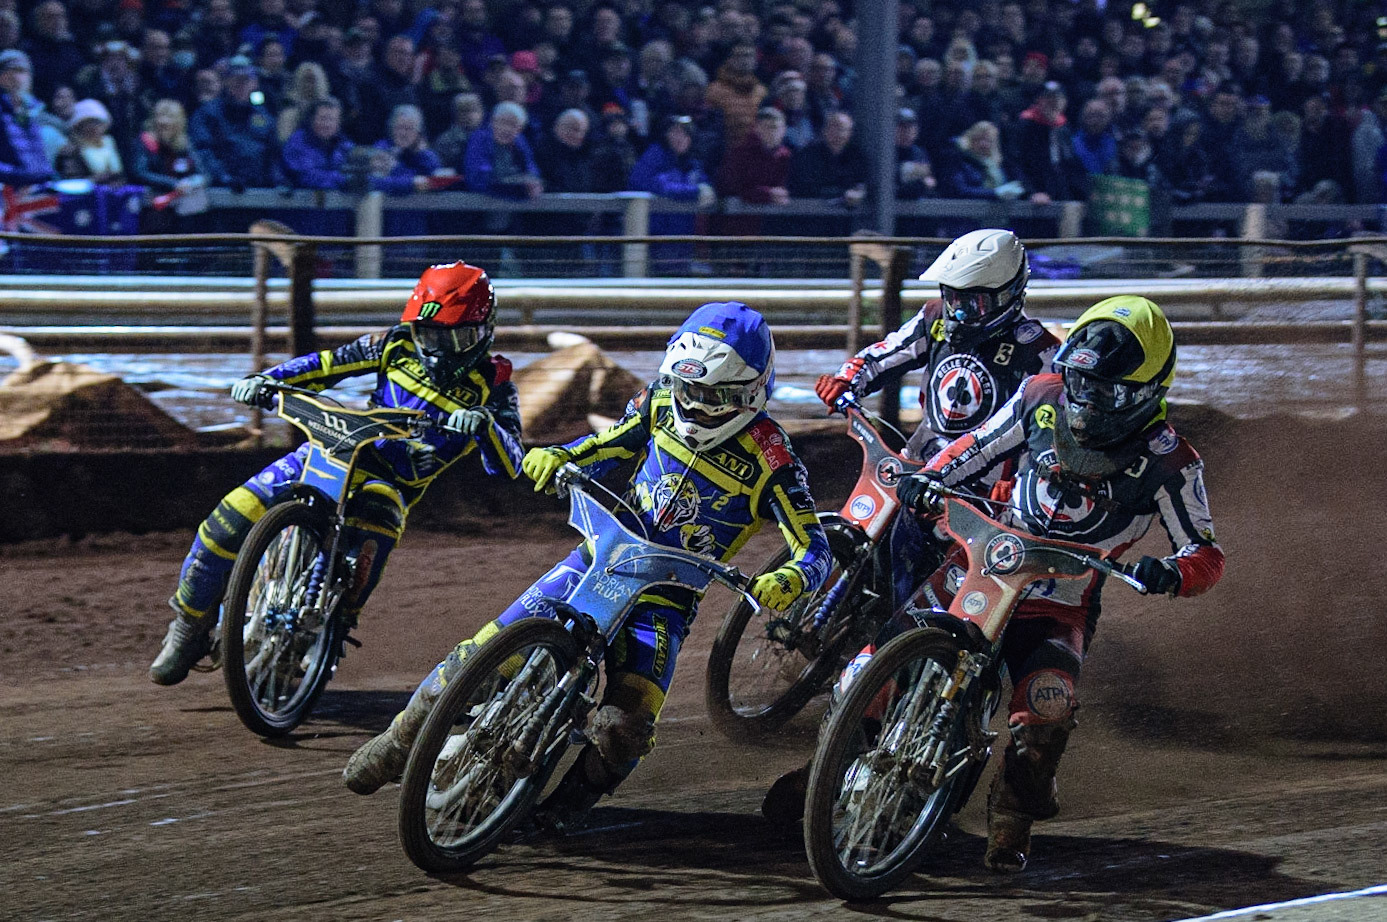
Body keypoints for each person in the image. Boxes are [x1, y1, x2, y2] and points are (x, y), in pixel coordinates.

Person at [343, 302, 833, 834]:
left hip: (665, 599)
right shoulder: (659, 399)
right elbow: (609, 444)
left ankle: (569, 806)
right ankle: (397, 742)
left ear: (749, 392)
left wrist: (792, 577)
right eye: (685, 388)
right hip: (599, 556)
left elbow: (816, 547)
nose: (693, 405)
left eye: (711, 397)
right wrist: (561, 455)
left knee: (627, 726)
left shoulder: (773, 459)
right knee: (473, 657)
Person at [888, 295, 1225, 874]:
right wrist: (930, 477)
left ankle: (1012, 813)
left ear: (1148, 392)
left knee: (1046, 709)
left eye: (1106, 390)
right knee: (877, 658)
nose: (1086, 399)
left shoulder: (1172, 462)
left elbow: (1206, 553)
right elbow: (975, 447)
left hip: (1059, 605)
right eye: (1080, 380)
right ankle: (827, 766)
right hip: (983, 563)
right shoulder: (1040, 396)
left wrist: (1172, 571)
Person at [149, 262, 525, 686]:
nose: (438, 349)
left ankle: (336, 625)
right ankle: (187, 626)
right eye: (428, 335)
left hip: (390, 482)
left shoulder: (495, 387)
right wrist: (267, 381)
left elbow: (510, 462)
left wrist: (486, 426)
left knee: (376, 525)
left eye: (453, 337)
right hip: (333, 449)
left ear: (482, 331)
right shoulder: (393, 344)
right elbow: (326, 364)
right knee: (225, 521)